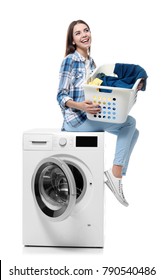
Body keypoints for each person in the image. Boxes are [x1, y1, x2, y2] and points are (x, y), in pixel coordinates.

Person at [57, 19, 145, 207]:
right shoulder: (70, 60)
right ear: (72, 40)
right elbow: (60, 96)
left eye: (86, 30)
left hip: (92, 115)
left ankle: (117, 175)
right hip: (77, 120)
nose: (84, 35)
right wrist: (82, 106)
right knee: (129, 124)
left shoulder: (91, 62)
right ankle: (115, 174)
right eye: (78, 33)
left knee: (133, 131)